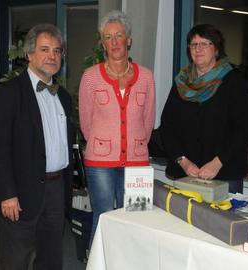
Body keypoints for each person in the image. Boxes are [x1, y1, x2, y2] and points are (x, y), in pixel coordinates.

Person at [0, 24, 73, 270]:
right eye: (44, 49)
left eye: (57, 51)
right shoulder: (8, 93)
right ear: (29, 54)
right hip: (21, 192)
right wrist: (7, 194)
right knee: (16, 259)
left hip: (56, 190)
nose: (52, 56)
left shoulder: (64, 97)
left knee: (51, 258)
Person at [79, 10, 155, 247]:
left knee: (137, 219)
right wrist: (104, 146)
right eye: (108, 37)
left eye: (118, 35)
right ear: (102, 43)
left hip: (138, 162)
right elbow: (86, 123)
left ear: (128, 40)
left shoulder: (146, 77)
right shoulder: (90, 77)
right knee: (103, 218)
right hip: (100, 163)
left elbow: (148, 120)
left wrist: (136, 147)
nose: (114, 42)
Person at [160, 24, 248, 194]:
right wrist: (183, 161)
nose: (198, 49)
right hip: (186, 173)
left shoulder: (234, 82)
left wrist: (217, 162)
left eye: (204, 43)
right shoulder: (181, 82)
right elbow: (167, 127)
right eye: (194, 44)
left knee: (223, 221)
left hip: (225, 173)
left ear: (216, 49)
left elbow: (243, 130)